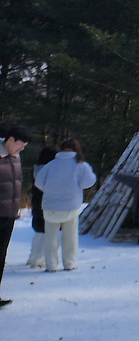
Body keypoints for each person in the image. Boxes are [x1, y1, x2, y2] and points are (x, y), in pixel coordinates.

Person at [34, 138, 97, 273]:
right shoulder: (81, 165)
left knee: (51, 237)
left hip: (50, 206)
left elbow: (39, 182)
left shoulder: (51, 165)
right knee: (70, 237)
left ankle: (51, 265)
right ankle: (69, 263)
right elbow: (89, 181)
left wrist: (50, 190)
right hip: (71, 205)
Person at [0, 126, 31, 307]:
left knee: (1, 256)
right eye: (21, 144)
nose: (22, 148)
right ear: (10, 140)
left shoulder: (15, 157)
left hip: (8, 214)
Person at [25, 145, 57, 267]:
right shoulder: (49, 171)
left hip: (36, 203)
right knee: (45, 232)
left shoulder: (37, 169)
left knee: (39, 232)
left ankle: (33, 257)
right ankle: (38, 260)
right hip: (46, 204)